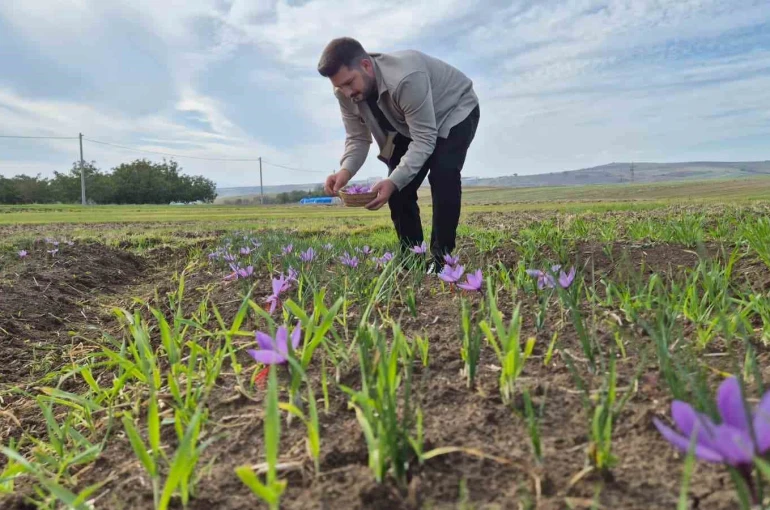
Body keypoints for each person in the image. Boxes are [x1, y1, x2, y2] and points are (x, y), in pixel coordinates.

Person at [317, 37, 480, 271]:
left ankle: (441, 259)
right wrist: (345, 171)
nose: (347, 92)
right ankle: (411, 258)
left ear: (365, 65)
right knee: (398, 184)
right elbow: (358, 138)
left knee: (443, 173)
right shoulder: (345, 93)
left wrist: (393, 181)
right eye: (340, 86)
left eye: (350, 83)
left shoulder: (406, 78)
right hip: (407, 123)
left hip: (454, 110)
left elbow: (425, 139)